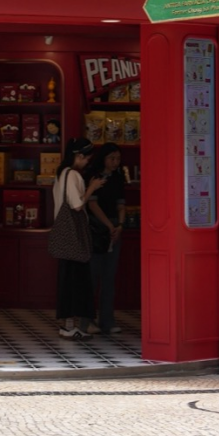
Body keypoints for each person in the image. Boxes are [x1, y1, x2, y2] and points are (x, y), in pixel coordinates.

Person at [52, 137, 104, 340]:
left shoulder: (61, 173)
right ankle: (68, 326)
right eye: (87, 157)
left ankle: (68, 325)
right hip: (73, 236)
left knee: (67, 280)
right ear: (79, 156)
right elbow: (77, 205)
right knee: (76, 280)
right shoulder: (73, 174)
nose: (88, 161)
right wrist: (92, 188)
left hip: (64, 234)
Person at [86, 143, 128, 335]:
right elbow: (92, 205)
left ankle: (107, 320)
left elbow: (121, 205)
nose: (115, 162)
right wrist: (109, 225)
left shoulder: (118, 178)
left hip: (114, 228)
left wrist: (120, 225)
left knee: (109, 277)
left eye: (118, 158)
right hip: (96, 228)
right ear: (103, 158)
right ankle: (87, 320)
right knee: (93, 275)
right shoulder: (94, 176)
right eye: (111, 158)